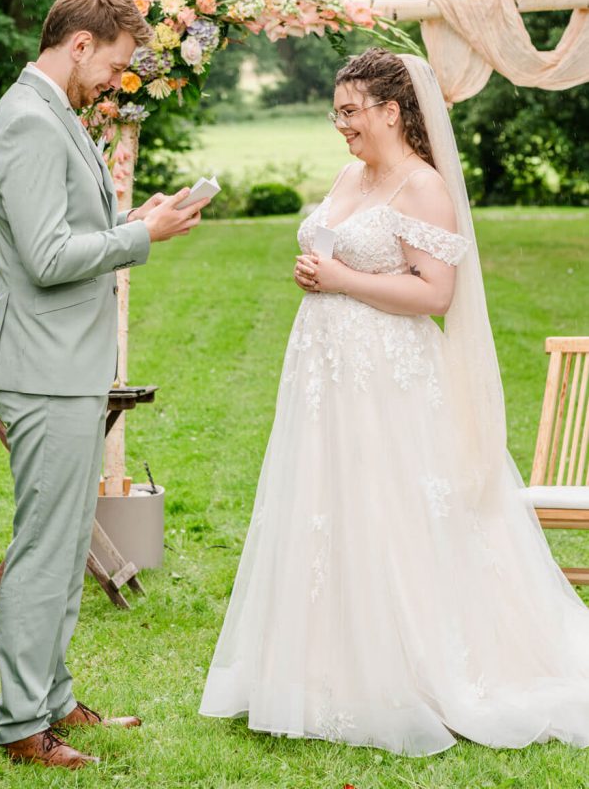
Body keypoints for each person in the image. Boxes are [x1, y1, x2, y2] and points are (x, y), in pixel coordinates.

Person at [200, 47, 589, 756]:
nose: (339, 125)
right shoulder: (352, 173)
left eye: (349, 111)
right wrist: (314, 271)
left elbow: (433, 294)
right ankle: (326, 669)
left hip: (390, 378)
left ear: (390, 110)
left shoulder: (422, 188)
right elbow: (335, 250)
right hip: (325, 372)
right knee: (329, 504)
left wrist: (340, 279)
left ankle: (416, 666)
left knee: (393, 506)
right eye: (336, 111)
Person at [0, 0, 209, 769]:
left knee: (71, 537)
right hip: (44, 368)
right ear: (80, 44)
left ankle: (53, 697)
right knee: (46, 550)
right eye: (112, 63)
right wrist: (139, 237)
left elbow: (71, 231)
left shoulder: (51, 114)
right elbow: (46, 260)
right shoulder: (29, 123)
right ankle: (21, 728)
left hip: (65, 363)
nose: (117, 79)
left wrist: (127, 220)